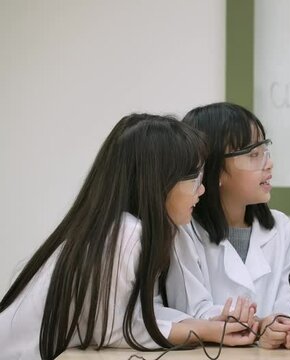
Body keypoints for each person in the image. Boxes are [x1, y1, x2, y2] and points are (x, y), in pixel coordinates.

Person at [0, 114, 258, 360]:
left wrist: (204, 324)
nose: (201, 190)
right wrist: (204, 331)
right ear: (158, 181)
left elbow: (142, 313)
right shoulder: (125, 234)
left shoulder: (123, 230)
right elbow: (116, 331)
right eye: (194, 178)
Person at [165, 102, 290, 350]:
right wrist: (258, 326)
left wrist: (284, 325)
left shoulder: (280, 227)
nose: (269, 164)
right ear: (214, 170)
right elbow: (192, 311)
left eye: (265, 150)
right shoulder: (184, 230)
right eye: (253, 154)